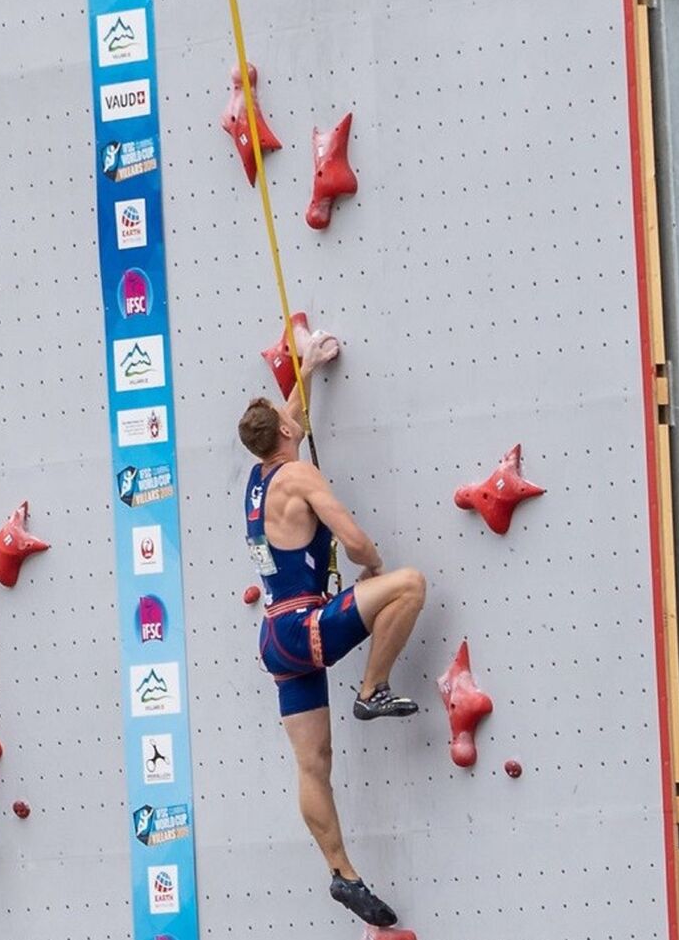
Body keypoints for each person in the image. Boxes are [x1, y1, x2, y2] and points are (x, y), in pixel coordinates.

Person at [238, 333, 426, 928]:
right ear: (287, 438)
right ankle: (371, 690)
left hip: (276, 639)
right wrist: (370, 567)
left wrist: (309, 366)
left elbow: (288, 417)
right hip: (306, 623)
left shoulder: (260, 476)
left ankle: (343, 874)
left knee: (313, 763)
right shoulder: (300, 478)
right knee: (409, 585)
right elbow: (354, 539)